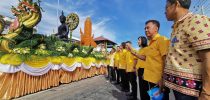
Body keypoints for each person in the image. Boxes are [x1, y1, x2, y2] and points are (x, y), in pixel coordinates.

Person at [163, 0, 210, 99]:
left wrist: (207, 92)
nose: (164, 11)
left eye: (166, 7)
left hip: (191, 92)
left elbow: (208, 57)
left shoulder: (196, 20)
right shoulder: (176, 28)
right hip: (179, 88)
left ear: (176, 4)